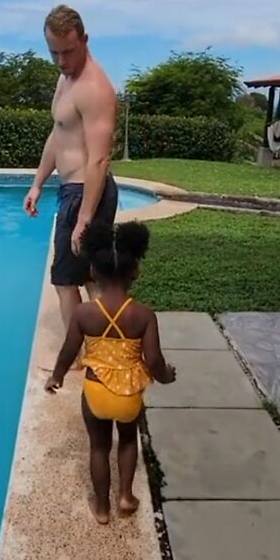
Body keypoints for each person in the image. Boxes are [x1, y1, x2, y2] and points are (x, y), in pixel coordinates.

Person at [45, 221, 177, 524]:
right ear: (136, 272)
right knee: (128, 441)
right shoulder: (143, 315)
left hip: (95, 393)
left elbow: (68, 351)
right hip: (129, 396)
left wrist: (57, 375)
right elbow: (154, 360)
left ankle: (102, 508)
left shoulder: (84, 313)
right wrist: (166, 375)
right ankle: (125, 496)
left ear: (92, 271)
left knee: (99, 446)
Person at [23, 4, 119, 370]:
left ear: (85, 40)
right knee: (91, 276)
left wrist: (84, 218)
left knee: (65, 281)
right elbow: (58, 134)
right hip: (72, 191)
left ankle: (77, 356)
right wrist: (37, 183)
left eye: (68, 51)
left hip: (85, 192)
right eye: (54, 52)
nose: (62, 60)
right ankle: (106, 350)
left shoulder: (95, 88)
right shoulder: (66, 81)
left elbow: (98, 159)